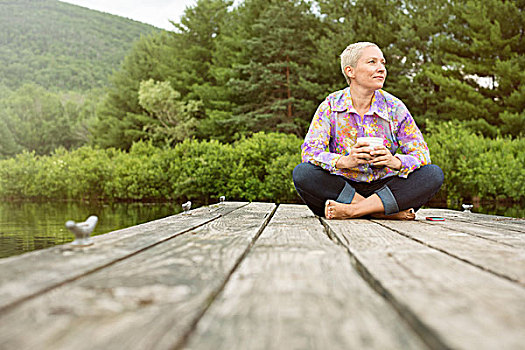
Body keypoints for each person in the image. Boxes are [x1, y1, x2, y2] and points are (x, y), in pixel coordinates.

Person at [292, 42, 444, 220]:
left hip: (385, 186)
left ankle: (354, 210)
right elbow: (309, 153)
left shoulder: (395, 107)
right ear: (350, 71)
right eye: (372, 62)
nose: (381, 69)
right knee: (303, 173)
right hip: (343, 187)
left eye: (383, 63)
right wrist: (344, 161)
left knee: (433, 174)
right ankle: (381, 212)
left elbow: (422, 155)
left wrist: (394, 161)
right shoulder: (330, 105)